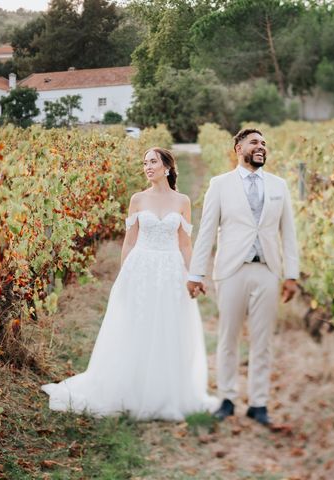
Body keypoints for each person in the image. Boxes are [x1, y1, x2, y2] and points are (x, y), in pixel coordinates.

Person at [42, 147, 218, 420]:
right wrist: (124, 275)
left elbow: (185, 244)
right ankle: (129, 388)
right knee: (137, 323)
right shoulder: (137, 199)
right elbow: (129, 241)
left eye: (153, 162)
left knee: (168, 326)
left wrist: (194, 275)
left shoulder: (182, 201)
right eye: (145, 163)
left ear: (167, 167)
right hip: (141, 267)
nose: (147, 167)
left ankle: (164, 391)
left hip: (171, 269)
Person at [187, 128, 299, 426]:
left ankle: (259, 404)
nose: (261, 147)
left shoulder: (279, 186)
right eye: (254, 142)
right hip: (232, 270)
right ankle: (227, 398)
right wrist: (196, 272)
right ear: (238, 148)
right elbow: (207, 230)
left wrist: (291, 274)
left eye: (264, 143)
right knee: (229, 337)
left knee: (263, 341)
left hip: (267, 270)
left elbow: (288, 233)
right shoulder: (220, 185)